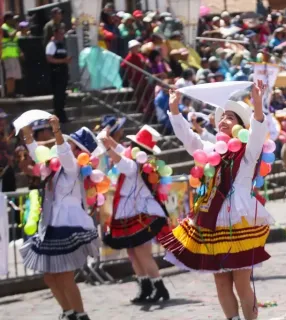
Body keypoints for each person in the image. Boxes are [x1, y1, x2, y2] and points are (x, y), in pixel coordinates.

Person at [159, 81, 273, 320]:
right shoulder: (211, 149)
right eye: (222, 117)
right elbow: (188, 139)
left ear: (242, 126)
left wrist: (258, 104)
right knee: (221, 281)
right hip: (212, 217)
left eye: (231, 117)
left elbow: (258, 131)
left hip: (238, 217)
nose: (223, 120)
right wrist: (175, 110)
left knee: (242, 281)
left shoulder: (248, 151)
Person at [20, 118, 99, 320]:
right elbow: (37, 154)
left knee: (64, 274)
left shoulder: (73, 168)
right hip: (51, 224)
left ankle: (81, 315)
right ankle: (69, 312)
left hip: (68, 225)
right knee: (50, 275)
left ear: (78, 150)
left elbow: (63, 154)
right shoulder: (55, 168)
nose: (64, 145)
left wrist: (56, 131)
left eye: (71, 144)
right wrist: (27, 135)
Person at [101, 125, 170, 304]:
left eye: (133, 144)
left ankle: (159, 287)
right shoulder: (138, 159)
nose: (130, 147)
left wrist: (108, 146)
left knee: (142, 252)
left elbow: (122, 161)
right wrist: (110, 142)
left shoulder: (136, 164)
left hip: (139, 212)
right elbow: (121, 151)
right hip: (129, 211)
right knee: (132, 252)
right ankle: (145, 286)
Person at [46, 25, 71, 123]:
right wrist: (63, 60)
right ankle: (58, 116)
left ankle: (62, 115)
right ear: (55, 33)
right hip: (56, 74)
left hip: (63, 73)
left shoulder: (62, 44)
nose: (62, 35)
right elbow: (49, 58)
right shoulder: (52, 45)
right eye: (60, 33)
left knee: (63, 95)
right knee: (58, 95)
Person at [2, 12, 22, 97]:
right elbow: (9, 37)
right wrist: (17, 30)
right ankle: (9, 92)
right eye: (12, 19)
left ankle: (13, 92)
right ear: (7, 20)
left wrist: (20, 52)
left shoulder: (11, 28)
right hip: (7, 55)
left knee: (14, 75)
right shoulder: (4, 28)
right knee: (10, 75)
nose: (13, 21)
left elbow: (14, 42)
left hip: (13, 54)